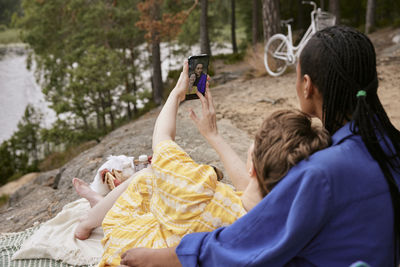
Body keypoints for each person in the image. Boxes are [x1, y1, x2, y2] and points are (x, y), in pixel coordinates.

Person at [119, 25, 400, 267]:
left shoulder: (322, 173)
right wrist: (214, 136)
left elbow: (245, 244)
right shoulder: (386, 144)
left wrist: (160, 258)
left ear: (307, 86)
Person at [73, 68, 330, 266]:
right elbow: (252, 186)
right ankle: (99, 207)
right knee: (157, 183)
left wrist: (176, 93)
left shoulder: (197, 189)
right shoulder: (280, 216)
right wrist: (213, 136)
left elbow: (162, 139)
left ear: (252, 166)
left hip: (144, 252)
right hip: (188, 237)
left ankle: (88, 222)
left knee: (146, 177)